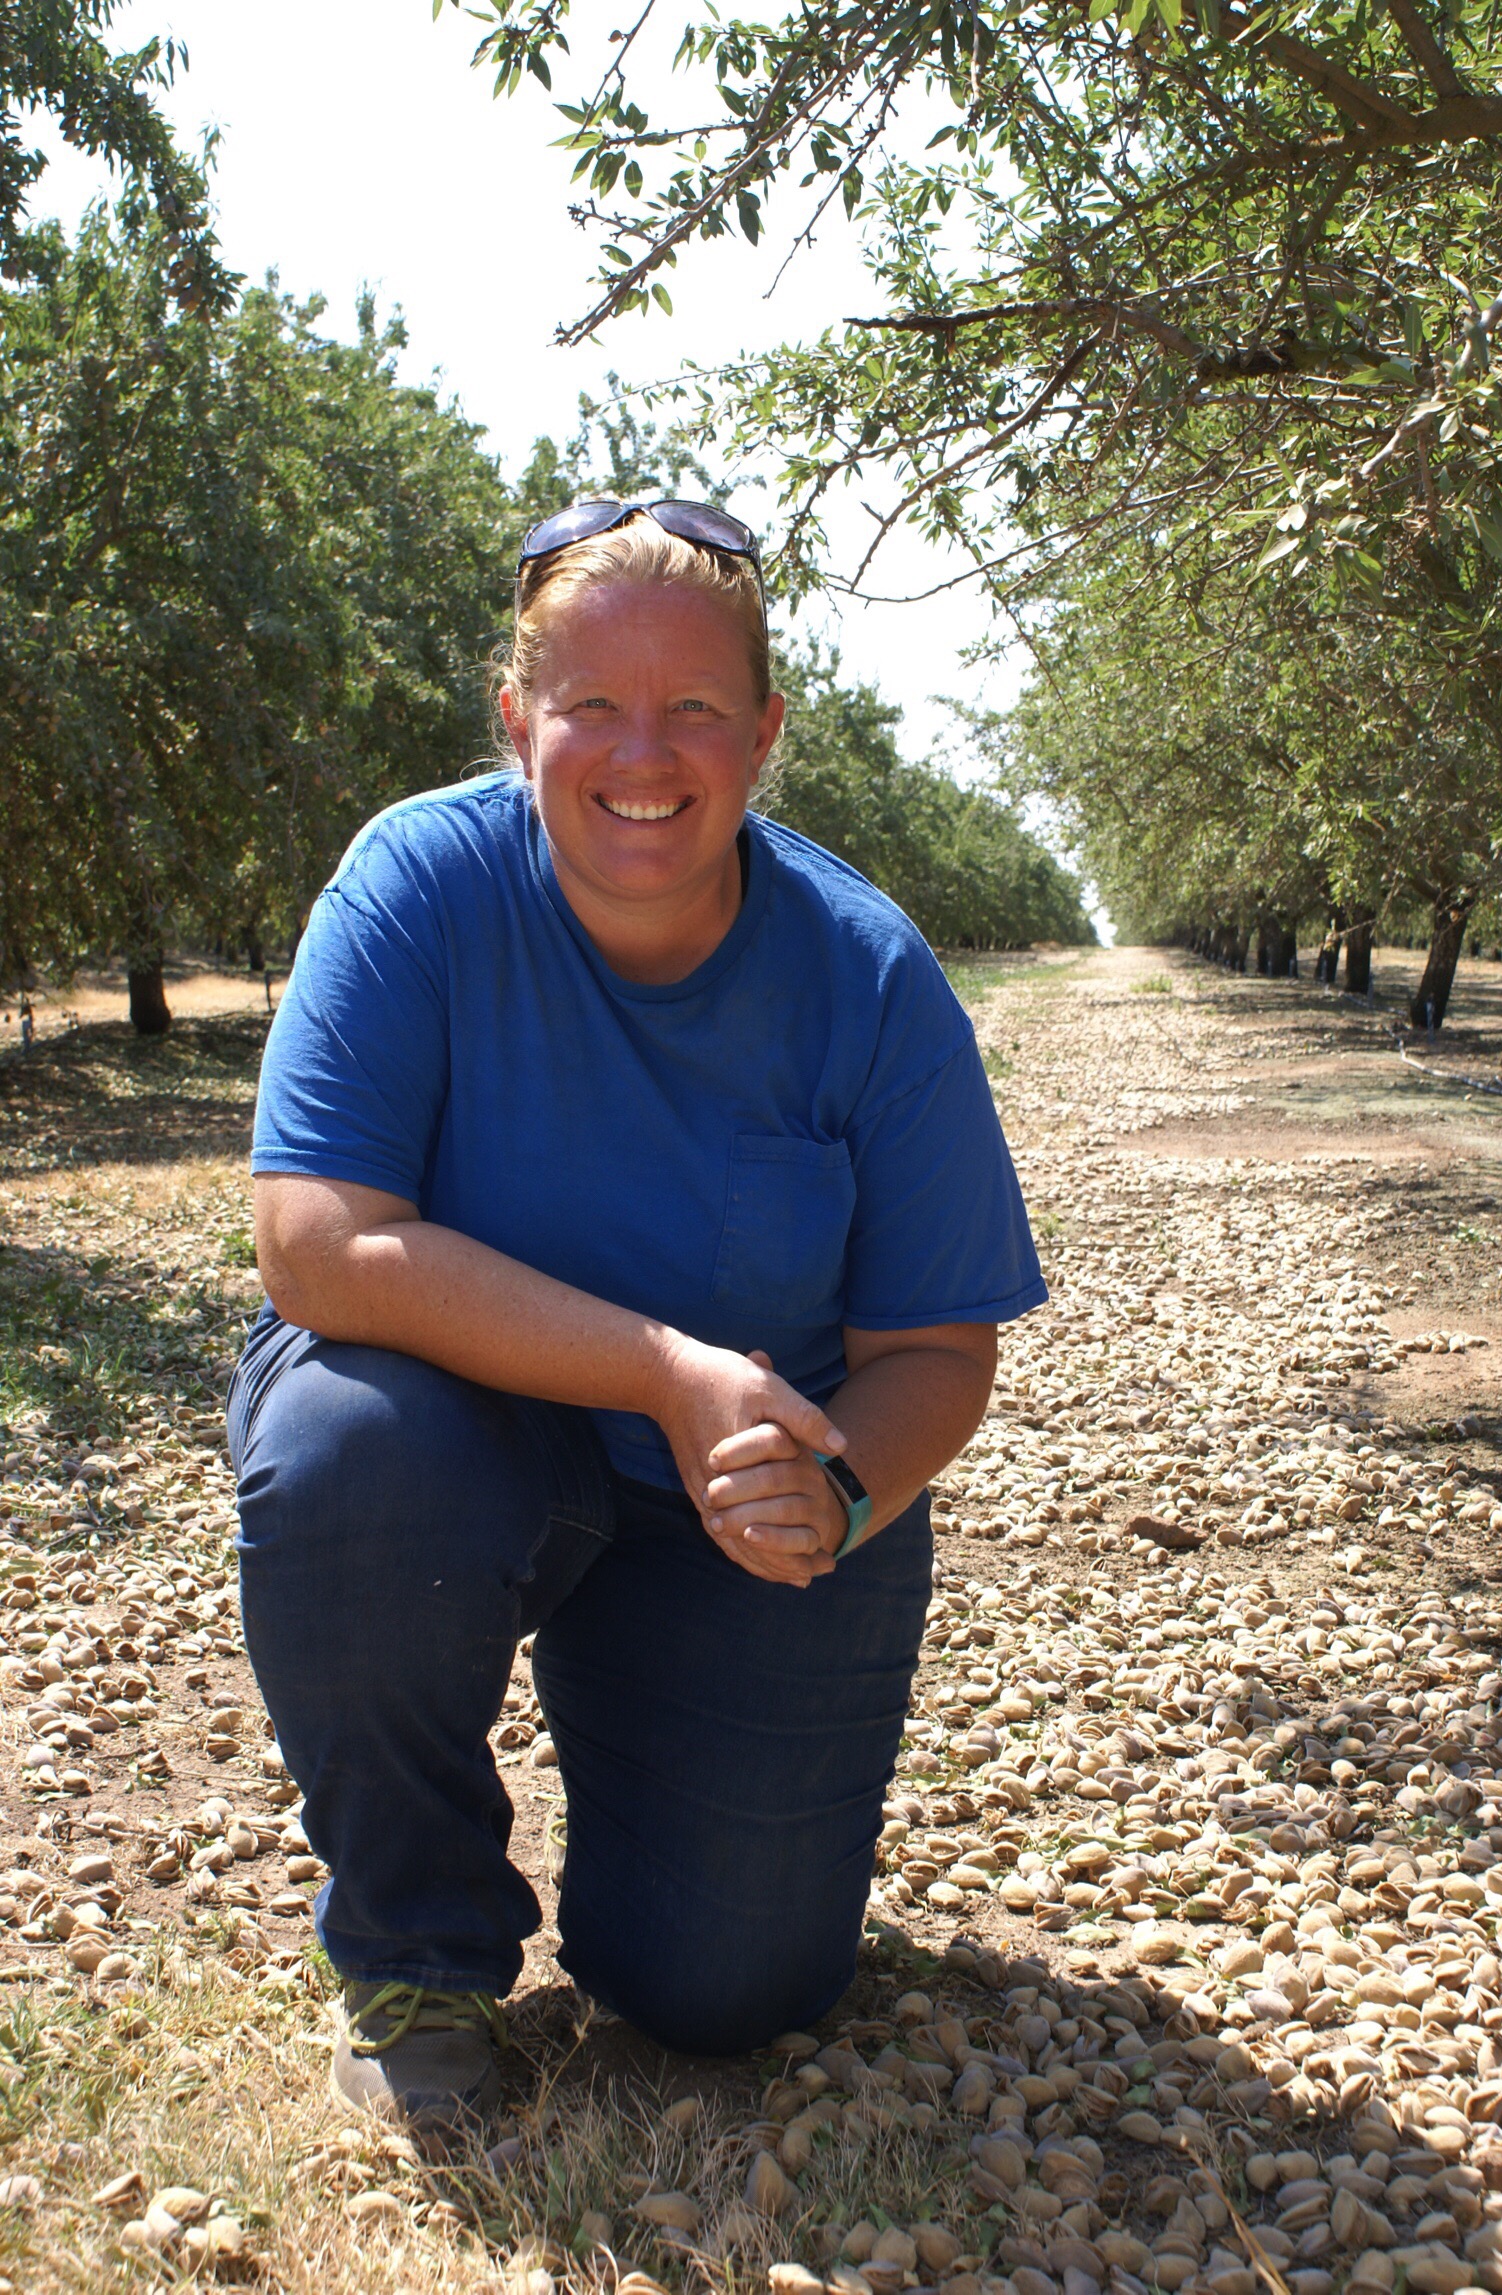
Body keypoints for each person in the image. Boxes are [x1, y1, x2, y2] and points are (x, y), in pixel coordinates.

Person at [227, 499, 1046, 2140]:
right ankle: (420, 1955)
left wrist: (837, 1489)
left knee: (723, 1994)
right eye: (592, 702)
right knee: (342, 1454)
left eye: (692, 708)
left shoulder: (870, 978)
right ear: (517, 717)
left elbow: (939, 1356)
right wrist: (664, 1371)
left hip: (746, 1497)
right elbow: (314, 1247)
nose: (642, 753)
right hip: (468, 1440)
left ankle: (663, 1845)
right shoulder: (417, 886)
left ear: (766, 732)